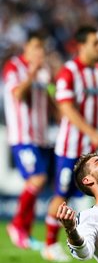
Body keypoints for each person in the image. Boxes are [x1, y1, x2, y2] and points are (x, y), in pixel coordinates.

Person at [43, 25, 98, 262]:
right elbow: (66, 108)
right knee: (62, 193)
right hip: (72, 147)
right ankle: (49, 244)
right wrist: (92, 133)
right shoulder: (68, 73)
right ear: (81, 45)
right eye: (96, 43)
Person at [3, 31, 55, 250]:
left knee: (34, 184)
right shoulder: (14, 67)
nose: (39, 55)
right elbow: (17, 95)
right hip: (22, 136)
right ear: (27, 49)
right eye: (36, 50)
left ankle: (24, 231)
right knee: (37, 178)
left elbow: (48, 98)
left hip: (41, 136)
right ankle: (16, 226)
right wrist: (31, 75)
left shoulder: (44, 71)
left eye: (42, 51)